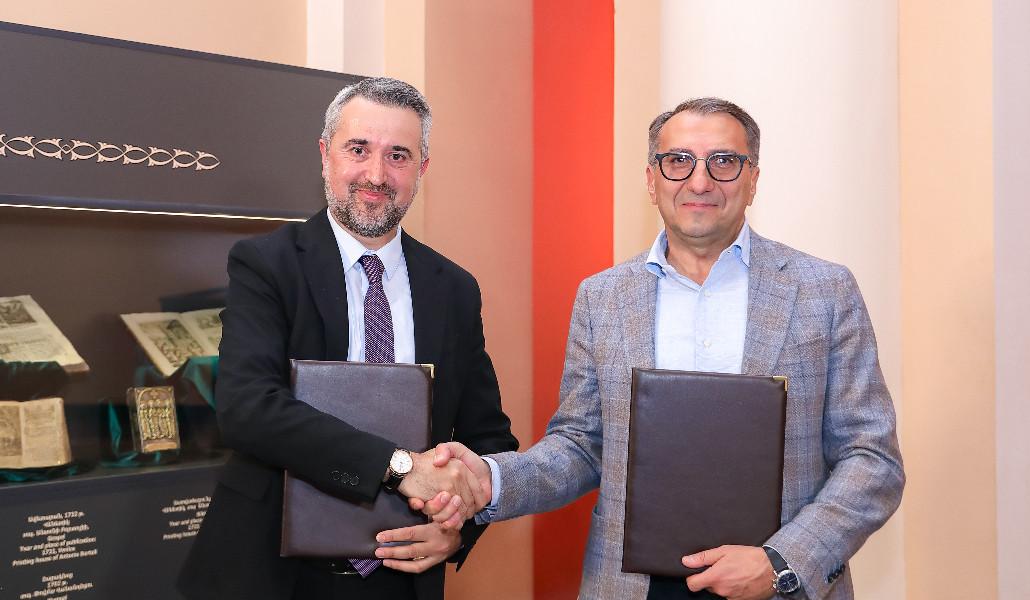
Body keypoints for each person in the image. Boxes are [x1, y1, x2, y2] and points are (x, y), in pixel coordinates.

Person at [422, 98, 904, 600]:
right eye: (678, 161)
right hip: (632, 588)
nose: (700, 182)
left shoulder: (824, 292)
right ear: (652, 180)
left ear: (753, 179)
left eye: (724, 161)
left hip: (778, 586)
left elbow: (871, 458)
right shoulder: (603, 297)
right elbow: (582, 446)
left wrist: (781, 560)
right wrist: (491, 478)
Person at [177, 77, 517, 600]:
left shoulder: (453, 289)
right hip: (271, 574)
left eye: (398, 156)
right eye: (358, 149)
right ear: (325, 155)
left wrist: (456, 531)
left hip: (402, 578)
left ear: (422, 169)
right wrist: (398, 467)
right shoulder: (266, 264)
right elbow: (248, 409)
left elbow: (488, 440)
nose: (376, 175)